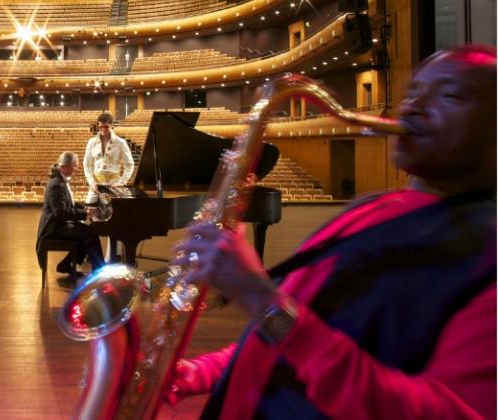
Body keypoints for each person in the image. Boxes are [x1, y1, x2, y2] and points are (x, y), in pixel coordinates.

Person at [167, 44, 497, 419]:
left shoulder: (488, 259)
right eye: (412, 94)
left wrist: (259, 296)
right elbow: (293, 327)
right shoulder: (371, 208)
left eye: (450, 95)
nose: (411, 108)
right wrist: (200, 373)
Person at [36, 151, 105, 276]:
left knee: (87, 232)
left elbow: (69, 205)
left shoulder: (61, 181)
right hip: (53, 228)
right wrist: (85, 213)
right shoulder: (56, 185)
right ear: (65, 167)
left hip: (59, 224)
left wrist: (86, 208)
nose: (77, 169)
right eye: (75, 165)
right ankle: (100, 270)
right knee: (90, 234)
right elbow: (61, 213)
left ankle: (65, 265)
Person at [83, 111, 134, 260]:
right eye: (101, 127)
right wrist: (91, 181)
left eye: (106, 127)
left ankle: (112, 255)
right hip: (96, 184)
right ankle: (86, 251)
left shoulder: (121, 142)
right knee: (87, 216)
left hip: (114, 184)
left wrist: (122, 181)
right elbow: (87, 165)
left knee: (115, 220)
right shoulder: (91, 142)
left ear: (111, 125)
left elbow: (129, 164)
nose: (103, 130)